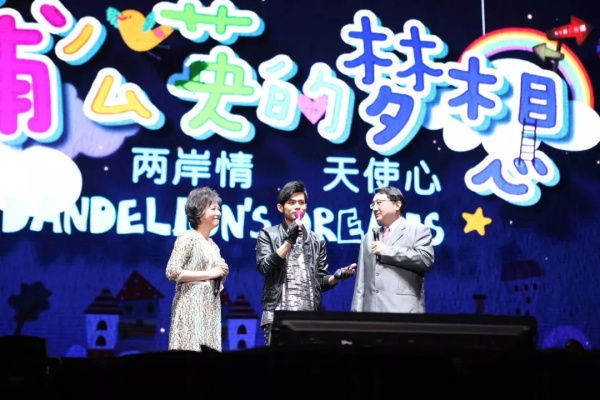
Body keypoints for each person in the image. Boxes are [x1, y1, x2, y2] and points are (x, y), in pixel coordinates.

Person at [256, 180, 356, 345]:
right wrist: (289, 240)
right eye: (292, 202)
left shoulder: (317, 240)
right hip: (277, 315)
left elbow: (320, 282)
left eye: (301, 203)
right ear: (280, 207)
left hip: (308, 317)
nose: (297, 206)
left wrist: (336, 277)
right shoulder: (268, 234)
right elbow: (265, 267)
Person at [351, 186, 434, 313]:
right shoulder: (368, 237)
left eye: (379, 203)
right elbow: (360, 284)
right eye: (373, 204)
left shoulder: (418, 230)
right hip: (370, 313)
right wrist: (356, 316)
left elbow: (426, 260)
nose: (374, 208)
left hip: (403, 311)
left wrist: (387, 251)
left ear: (397, 204)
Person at [165, 187, 229, 351]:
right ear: (199, 212)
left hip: (210, 308)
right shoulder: (188, 237)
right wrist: (210, 273)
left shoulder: (214, 245)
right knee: (190, 355)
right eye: (213, 209)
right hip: (191, 307)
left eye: (219, 209)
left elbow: (213, 280)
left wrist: (221, 274)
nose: (218, 213)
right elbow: (172, 272)